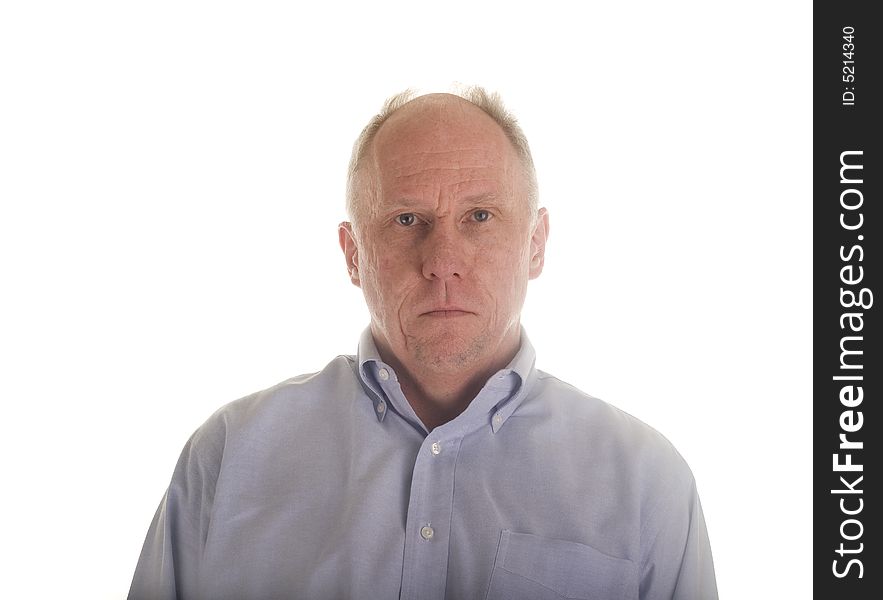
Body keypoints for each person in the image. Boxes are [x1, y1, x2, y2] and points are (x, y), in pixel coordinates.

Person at [129, 87, 718, 600]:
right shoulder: (228, 457)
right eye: (407, 220)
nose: (442, 263)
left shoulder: (647, 483)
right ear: (353, 253)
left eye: (480, 217)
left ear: (536, 243)